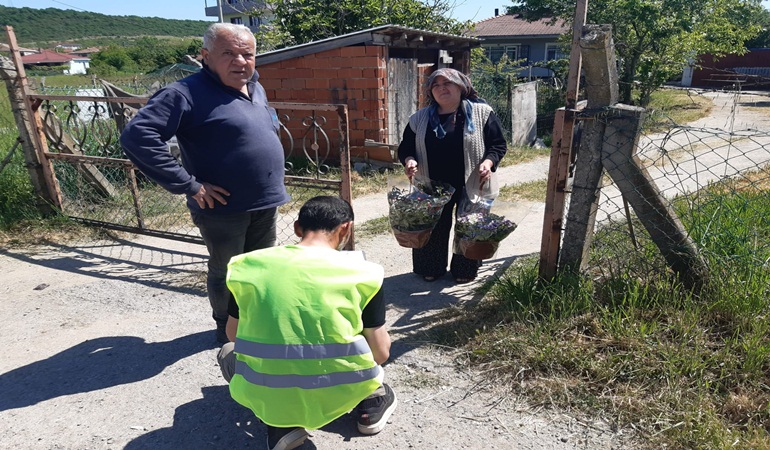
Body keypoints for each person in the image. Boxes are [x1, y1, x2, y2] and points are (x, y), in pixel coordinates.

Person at [120, 23, 290, 344]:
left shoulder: (255, 87)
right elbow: (137, 137)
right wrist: (190, 185)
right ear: (206, 56)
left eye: (247, 54)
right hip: (222, 208)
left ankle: (254, 324)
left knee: (261, 267)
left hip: (264, 201)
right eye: (229, 53)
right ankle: (226, 330)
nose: (240, 61)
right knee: (227, 272)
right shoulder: (185, 93)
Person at [216, 196, 397, 450]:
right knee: (369, 361)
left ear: (297, 228)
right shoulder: (364, 272)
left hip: (272, 386)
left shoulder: (248, 267)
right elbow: (380, 353)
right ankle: (369, 406)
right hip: (343, 386)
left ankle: (281, 424)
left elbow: (233, 334)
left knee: (228, 351)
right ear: (346, 228)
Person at [397, 68, 507, 284]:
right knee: (433, 226)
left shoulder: (481, 113)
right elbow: (405, 147)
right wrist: (409, 160)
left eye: (447, 83)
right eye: (436, 85)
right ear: (431, 91)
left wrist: (488, 162)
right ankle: (431, 267)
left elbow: (497, 144)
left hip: (472, 182)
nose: (441, 88)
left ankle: (464, 269)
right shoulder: (419, 119)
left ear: (461, 87)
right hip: (432, 183)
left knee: (469, 225)